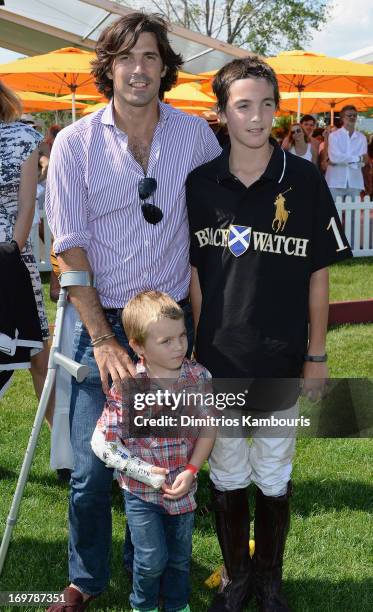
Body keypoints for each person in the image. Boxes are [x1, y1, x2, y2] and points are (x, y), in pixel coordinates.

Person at [45, 12, 221, 610]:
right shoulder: (73, 144)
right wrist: (101, 336)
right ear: (109, 68)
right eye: (126, 57)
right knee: (95, 469)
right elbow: (67, 244)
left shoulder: (196, 136)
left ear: (164, 66)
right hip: (105, 320)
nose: (139, 68)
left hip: (171, 324)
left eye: (150, 56)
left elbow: (208, 232)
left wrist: (198, 323)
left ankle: (144, 557)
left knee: (166, 448)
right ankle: (86, 579)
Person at [186, 56, 352, 612]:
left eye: (264, 105)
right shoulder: (201, 183)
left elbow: (320, 276)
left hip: (282, 356)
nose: (255, 118)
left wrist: (317, 354)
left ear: (277, 109)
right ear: (222, 113)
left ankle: (270, 583)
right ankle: (237, 581)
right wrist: (195, 351)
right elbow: (196, 276)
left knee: (274, 471)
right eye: (242, 106)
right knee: (229, 469)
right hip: (219, 359)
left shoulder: (303, 181)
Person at [91, 290, 215, 612]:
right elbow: (102, 443)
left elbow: (208, 429)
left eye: (182, 336)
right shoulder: (128, 386)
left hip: (184, 491)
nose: (179, 346)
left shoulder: (198, 377)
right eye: (166, 341)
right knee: (151, 560)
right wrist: (143, 472)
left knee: (179, 558)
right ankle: (142, 605)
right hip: (140, 495)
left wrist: (191, 471)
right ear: (137, 346)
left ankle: (177, 605)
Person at [0, 81, 52, 427]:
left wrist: (11, 253)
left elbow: (27, 206)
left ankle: (64, 451)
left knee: (38, 354)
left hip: (12, 259)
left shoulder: (22, 138)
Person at [325, 105, 368, 201]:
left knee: (354, 214)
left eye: (354, 115)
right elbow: (334, 158)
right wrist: (357, 158)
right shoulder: (334, 136)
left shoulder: (362, 137)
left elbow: (363, 162)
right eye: (349, 115)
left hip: (355, 181)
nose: (352, 117)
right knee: (334, 214)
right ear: (342, 118)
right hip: (335, 180)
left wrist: (343, 160)